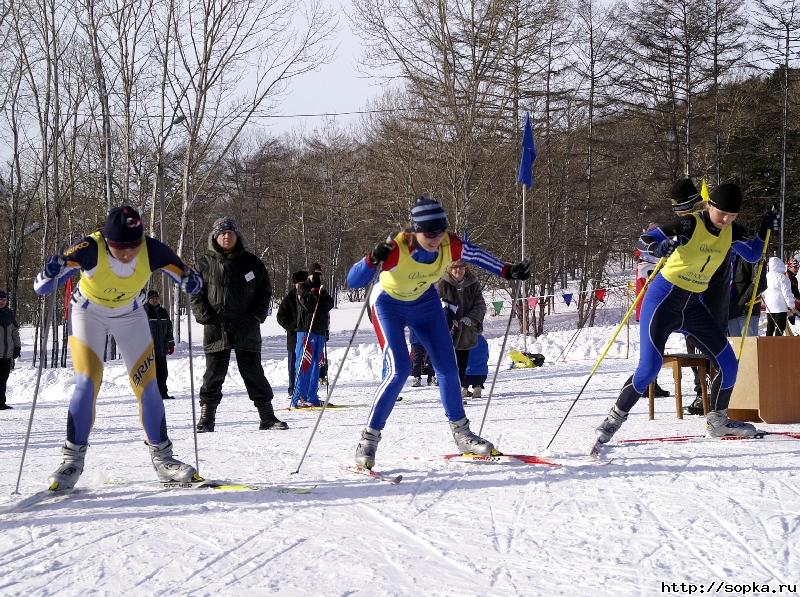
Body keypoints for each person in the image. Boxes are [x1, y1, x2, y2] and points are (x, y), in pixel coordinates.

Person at [346, 196, 531, 469]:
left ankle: (463, 434)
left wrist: (508, 270)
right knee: (399, 369)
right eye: (428, 233)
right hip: (388, 304)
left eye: (440, 230)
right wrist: (372, 259)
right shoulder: (399, 247)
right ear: (415, 230)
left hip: (424, 302)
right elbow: (353, 280)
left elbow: (477, 254)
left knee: (448, 367)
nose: (434, 238)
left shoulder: (450, 243)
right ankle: (369, 439)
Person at [592, 183, 779, 452]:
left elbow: (752, 254)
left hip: (692, 305)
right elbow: (644, 240)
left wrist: (764, 229)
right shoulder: (691, 224)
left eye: (732, 215)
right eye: (721, 213)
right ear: (710, 205)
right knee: (649, 368)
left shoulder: (732, 231)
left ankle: (718, 421)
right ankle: (613, 420)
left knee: (729, 363)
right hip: (663, 300)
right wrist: (659, 247)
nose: (726, 220)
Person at [34, 205, 203, 489]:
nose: (126, 253)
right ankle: (71, 460)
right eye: (118, 247)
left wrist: (192, 282)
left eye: (132, 247)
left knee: (148, 386)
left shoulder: (153, 250)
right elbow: (41, 287)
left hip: (130, 312)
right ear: (107, 240)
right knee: (87, 383)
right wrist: (51, 272)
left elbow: (190, 281)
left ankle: (164, 460)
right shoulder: (89, 247)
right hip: (88, 312)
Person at [190, 217, 287, 432]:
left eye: (230, 233)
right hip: (216, 326)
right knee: (213, 374)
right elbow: (195, 293)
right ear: (215, 237)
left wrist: (255, 316)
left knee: (253, 372)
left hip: (246, 326)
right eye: (223, 233)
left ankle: (267, 417)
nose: (227, 236)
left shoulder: (252, 263)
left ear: (237, 236)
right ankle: (207, 419)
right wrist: (206, 316)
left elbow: (265, 292)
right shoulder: (204, 263)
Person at [437, 259, 487, 398]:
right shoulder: (442, 283)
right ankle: (451, 394)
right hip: (448, 332)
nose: (458, 270)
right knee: (449, 366)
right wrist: (448, 319)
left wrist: (471, 318)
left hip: (466, 332)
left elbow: (480, 305)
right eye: (455, 268)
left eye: (461, 267)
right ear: (450, 269)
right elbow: (434, 306)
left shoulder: (473, 283)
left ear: (465, 268)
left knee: (463, 364)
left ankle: (459, 392)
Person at [289, 271, 334, 407]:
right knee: (304, 364)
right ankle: (298, 397)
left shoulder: (321, 288)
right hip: (306, 331)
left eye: (319, 275)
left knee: (316, 365)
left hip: (319, 331)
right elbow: (308, 305)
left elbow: (328, 305)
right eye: (315, 275)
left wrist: (323, 292)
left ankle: (312, 396)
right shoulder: (302, 287)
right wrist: (314, 292)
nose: (317, 277)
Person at [277, 270, 308, 397]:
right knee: (293, 366)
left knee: (306, 365)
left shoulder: (310, 296)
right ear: (295, 284)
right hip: (294, 337)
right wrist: (291, 327)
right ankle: (292, 389)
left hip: (307, 336)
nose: (301, 286)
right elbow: (280, 316)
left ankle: (305, 390)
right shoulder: (289, 298)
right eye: (299, 283)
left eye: (303, 283)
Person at [144, 290, 175, 400]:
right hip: (148, 350)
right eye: (153, 298)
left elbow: (169, 329)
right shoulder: (144, 311)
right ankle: (151, 395)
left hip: (162, 348)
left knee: (163, 374)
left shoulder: (163, 311)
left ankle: (163, 394)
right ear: (148, 300)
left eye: (157, 298)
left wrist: (171, 343)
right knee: (150, 374)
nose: (155, 300)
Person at [727, 255, 767, 338]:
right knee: (735, 349)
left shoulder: (753, 255)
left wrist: (742, 302)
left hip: (746, 312)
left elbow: (759, 283)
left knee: (749, 348)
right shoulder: (728, 257)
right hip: (729, 313)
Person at [763, 257, 796, 336]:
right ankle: (777, 344)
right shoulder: (782, 277)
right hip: (780, 306)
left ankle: (767, 344)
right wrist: (791, 306)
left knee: (770, 327)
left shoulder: (767, 276)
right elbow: (787, 293)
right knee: (780, 326)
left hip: (769, 306)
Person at [0, 289, 21, 410]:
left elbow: (14, 332)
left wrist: (17, 347)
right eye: (0, 299)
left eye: (3, 299)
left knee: (3, 380)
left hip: (7, 354)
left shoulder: (9, 314)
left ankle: (1, 403)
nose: (1, 301)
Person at [463, 334, 489, 399]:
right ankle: (478, 387)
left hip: (466, 375)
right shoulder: (482, 340)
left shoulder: (463, 338)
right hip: (482, 375)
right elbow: (487, 355)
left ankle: (464, 388)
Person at [785, 258, 800, 325]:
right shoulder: (787, 277)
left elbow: (796, 292)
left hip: (795, 304)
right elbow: (787, 292)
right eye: (795, 267)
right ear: (790, 267)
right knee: (790, 324)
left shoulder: (794, 278)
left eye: (798, 267)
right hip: (789, 305)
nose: (797, 269)